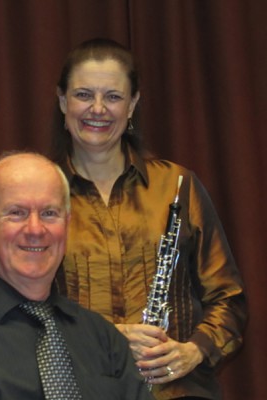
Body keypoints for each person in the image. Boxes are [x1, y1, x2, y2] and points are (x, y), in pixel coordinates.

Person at [50, 38, 247, 399]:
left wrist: (195, 350)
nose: (98, 109)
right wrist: (110, 334)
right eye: (83, 95)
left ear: (133, 104)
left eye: (113, 96)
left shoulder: (177, 186)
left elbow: (228, 298)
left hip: (176, 391)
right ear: (63, 101)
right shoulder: (38, 194)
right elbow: (18, 309)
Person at [0, 152, 153, 399]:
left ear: (67, 223)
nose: (35, 229)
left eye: (49, 213)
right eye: (17, 213)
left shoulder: (104, 338)